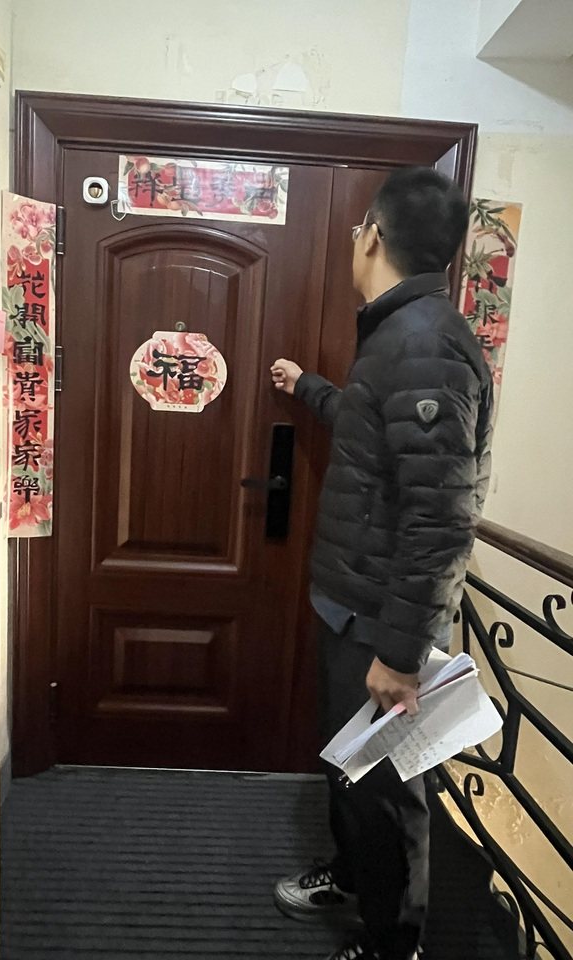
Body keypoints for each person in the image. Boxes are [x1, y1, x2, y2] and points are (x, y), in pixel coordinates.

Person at [270, 166, 493, 960]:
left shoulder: (424, 342)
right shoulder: (404, 333)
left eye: (355, 229)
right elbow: (378, 437)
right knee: (353, 772)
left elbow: (441, 519)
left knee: (386, 789)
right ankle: (354, 879)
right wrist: (310, 388)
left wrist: (399, 655)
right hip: (356, 606)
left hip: (381, 622)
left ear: (371, 234)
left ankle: (394, 944)